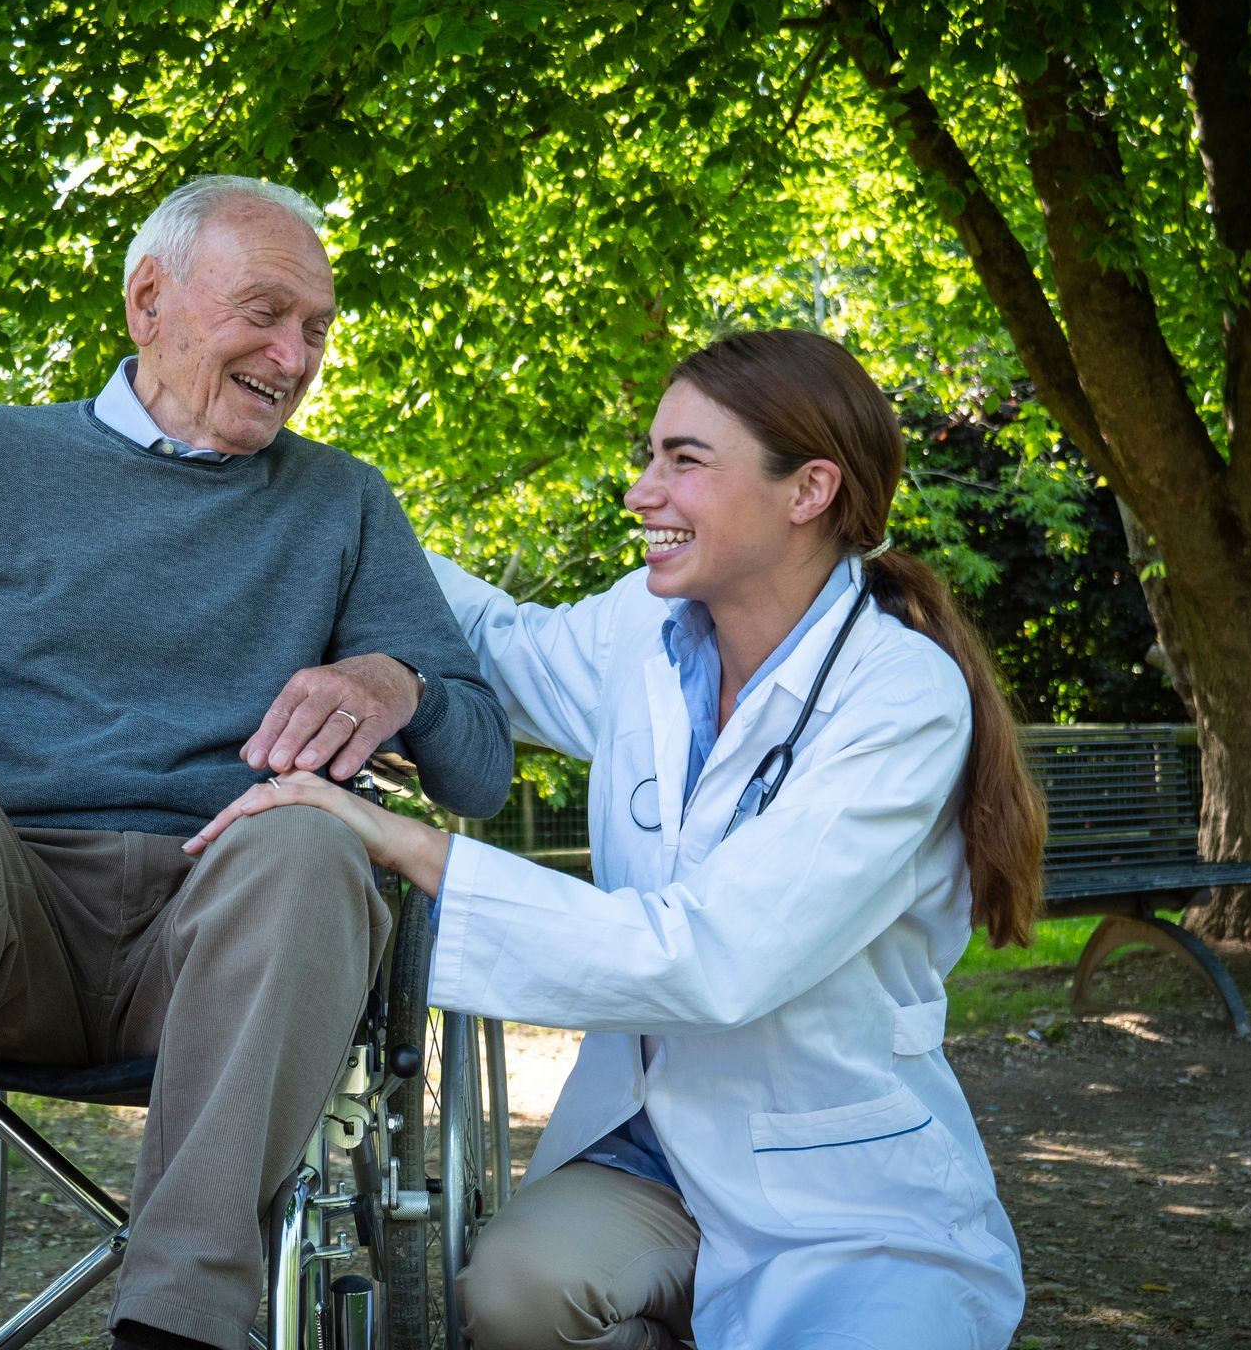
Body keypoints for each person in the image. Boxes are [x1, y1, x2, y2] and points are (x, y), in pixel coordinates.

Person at [0, 175, 512, 1350]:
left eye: (317, 328)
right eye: (265, 312)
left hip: (233, 922)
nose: (295, 353)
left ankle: (182, 1325)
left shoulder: (343, 503)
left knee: (312, 834)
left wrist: (398, 683)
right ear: (149, 299)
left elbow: (479, 771)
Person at [187, 329, 1044, 1349]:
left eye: (683, 461)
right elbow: (499, 647)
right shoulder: (647, 627)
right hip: (649, 1150)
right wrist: (327, 501)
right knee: (513, 1294)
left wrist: (408, 845)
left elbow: (712, 957)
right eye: (650, 457)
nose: (643, 492)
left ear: (808, 490)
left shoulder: (899, 696)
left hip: (836, 1180)